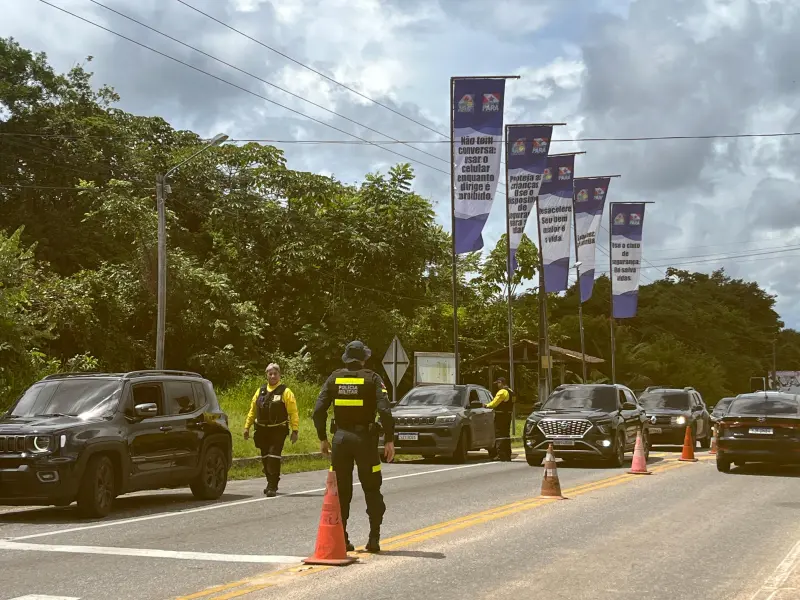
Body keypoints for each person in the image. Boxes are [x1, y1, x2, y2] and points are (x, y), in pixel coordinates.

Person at [312, 340, 395, 553]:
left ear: (346, 358)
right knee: (372, 488)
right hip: (365, 441)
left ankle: (343, 538)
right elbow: (385, 411)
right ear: (364, 358)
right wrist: (389, 439)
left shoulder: (334, 378)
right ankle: (374, 538)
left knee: (341, 491)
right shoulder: (373, 379)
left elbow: (318, 411)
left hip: (340, 441)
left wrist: (323, 438)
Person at [243, 363, 299, 497]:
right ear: (266, 375)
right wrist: (247, 427)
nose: (273, 376)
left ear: (279, 375)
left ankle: (272, 485)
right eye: (270, 373)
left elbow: (293, 412)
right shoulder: (260, 391)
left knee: (273, 457)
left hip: (278, 430)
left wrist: (295, 430)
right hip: (262, 431)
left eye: (275, 373)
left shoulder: (286, 392)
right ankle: (269, 482)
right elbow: (252, 410)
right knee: (265, 457)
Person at [487, 377, 514, 462]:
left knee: (499, 434)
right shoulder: (511, 392)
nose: (497, 385)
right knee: (506, 435)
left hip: (500, 416)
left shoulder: (502, 392)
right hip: (508, 415)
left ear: (501, 382)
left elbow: (494, 403)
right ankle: (507, 454)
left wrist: (485, 405)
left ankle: (500, 454)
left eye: (498, 383)